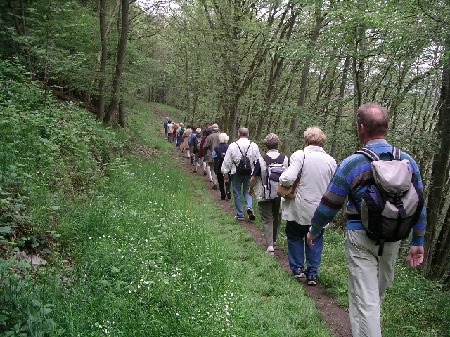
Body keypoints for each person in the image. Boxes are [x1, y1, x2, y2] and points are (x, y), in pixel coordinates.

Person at [307, 103, 427, 336]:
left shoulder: (353, 163)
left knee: (366, 301)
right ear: (386, 127)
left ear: (361, 128)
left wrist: (314, 229)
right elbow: (419, 204)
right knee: (372, 296)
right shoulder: (408, 162)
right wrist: (418, 241)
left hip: (360, 237)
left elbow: (329, 204)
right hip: (393, 237)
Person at [279, 127, 336, 284]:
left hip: (299, 206)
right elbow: (334, 185)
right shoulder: (331, 161)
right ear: (322, 142)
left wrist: (282, 178)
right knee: (315, 238)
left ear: (306, 140)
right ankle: (312, 273)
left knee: (295, 235)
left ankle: (297, 269)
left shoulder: (300, 155)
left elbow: (287, 179)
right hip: (320, 208)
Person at [249, 133, 289, 255]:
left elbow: (254, 178)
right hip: (279, 193)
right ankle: (274, 241)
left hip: (264, 193)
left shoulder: (261, 160)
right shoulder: (285, 159)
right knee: (276, 216)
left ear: (265, 145)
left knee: (267, 219)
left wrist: (250, 188)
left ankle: (270, 246)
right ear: (278, 144)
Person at [221, 127, 260, 221]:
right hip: (249, 172)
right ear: (248, 134)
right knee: (248, 190)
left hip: (236, 172)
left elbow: (227, 161)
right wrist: (257, 174)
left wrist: (225, 173)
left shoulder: (233, 146)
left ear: (238, 134)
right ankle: (249, 207)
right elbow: (258, 160)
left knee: (236, 192)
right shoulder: (254, 145)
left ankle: (240, 214)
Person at [213, 133, 231, 200]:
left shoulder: (216, 148)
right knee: (227, 179)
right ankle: (228, 190)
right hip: (227, 167)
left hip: (219, 166)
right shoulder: (229, 147)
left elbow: (213, 156)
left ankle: (222, 194)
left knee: (220, 181)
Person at [203, 123, 221, 190]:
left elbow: (205, 146)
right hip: (221, 156)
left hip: (211, 155)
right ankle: (220, 182)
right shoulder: (222, 136)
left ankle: (215, 183)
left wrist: (205, 153)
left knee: (213, 169)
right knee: (220, 169)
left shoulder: (210, 137)